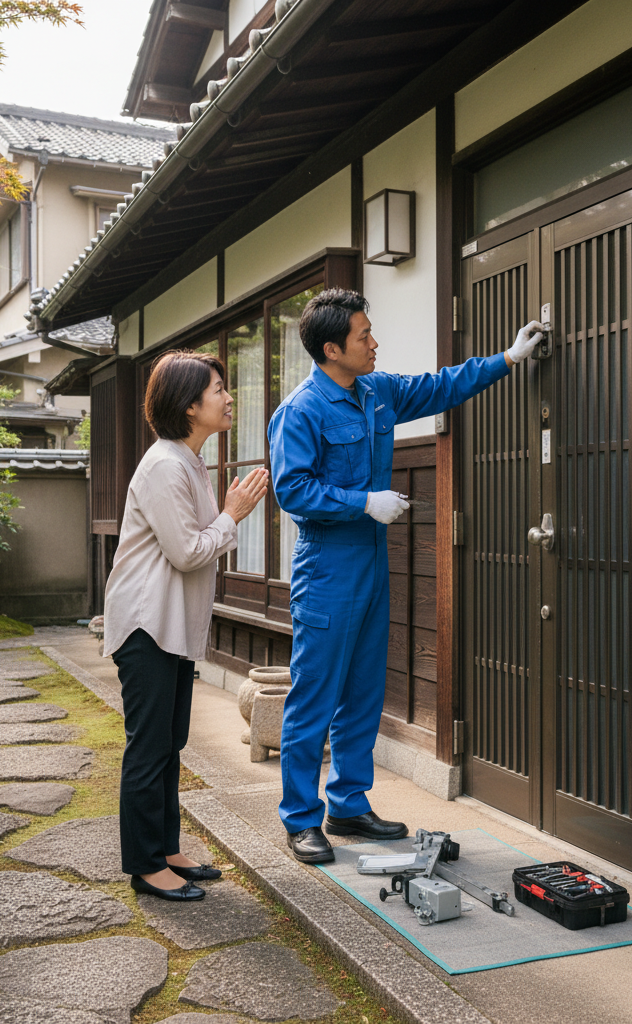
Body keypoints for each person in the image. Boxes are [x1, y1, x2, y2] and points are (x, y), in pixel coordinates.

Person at [267, 289, 544, 863]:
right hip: (326, 564)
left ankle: (347, 804)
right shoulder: (301, 410)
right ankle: (300, 818)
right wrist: (363, 503)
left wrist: (508, 359)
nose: (375, 343)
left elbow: (441, 385)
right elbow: (291, 489)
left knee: (365, 690)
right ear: (331, 348)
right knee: (316, 694)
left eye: (371, 332)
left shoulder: (377, 390)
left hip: (371, 561)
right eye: (364, 335)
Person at [103, 350, 269, 899]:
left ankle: (167, 849)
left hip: (169, 626)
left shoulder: (189, 460)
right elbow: (186, 552)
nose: (228, 397)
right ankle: (146, 866)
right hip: (147, 624)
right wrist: (232, 515)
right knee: (149, 746)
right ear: (188, 404)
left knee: (169, 742)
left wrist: (226, 514)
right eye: (218, 389)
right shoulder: (167, 465)